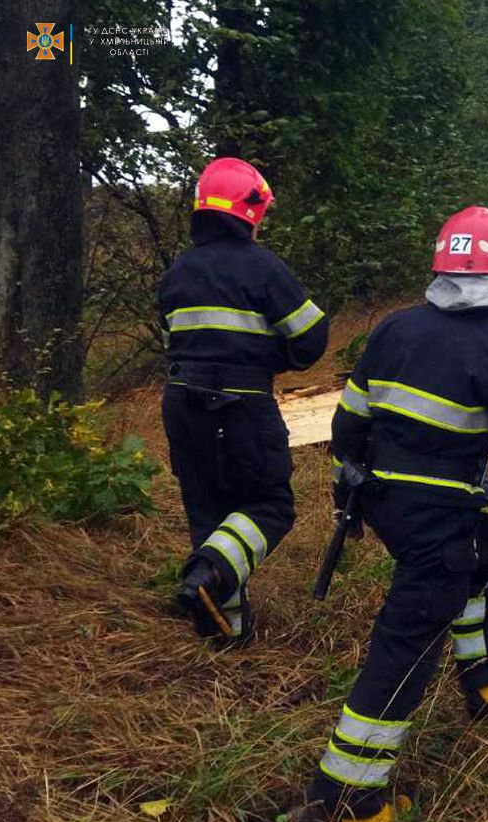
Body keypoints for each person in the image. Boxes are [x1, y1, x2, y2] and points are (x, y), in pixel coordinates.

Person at [280, 206, 488, 822]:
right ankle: (349, 801)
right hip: (436, 517)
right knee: (408, 642)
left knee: (484, 552)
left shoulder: (394, 329)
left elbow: (348, 422)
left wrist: (346, 488)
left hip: (384, 501)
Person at [160, 157, 328, 647]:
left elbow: (175, 340)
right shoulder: (263, 267)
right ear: (250, 210)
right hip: (242, 406)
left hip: (181, 404)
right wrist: (272, 358)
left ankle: (225, 632)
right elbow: (312, 337)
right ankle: (209, 570)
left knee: (208, 513)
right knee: (270, 506)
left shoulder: (177, 272)